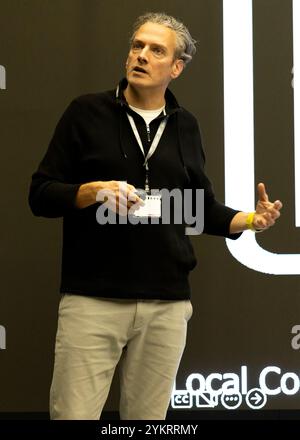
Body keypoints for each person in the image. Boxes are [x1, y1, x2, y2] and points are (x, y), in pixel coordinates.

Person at [28, 12, 282, 420]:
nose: (141, 55)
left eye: (156, 50)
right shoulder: (86, 113)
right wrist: (93, 191)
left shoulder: (186, 127)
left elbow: (197, 210)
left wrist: (253, 221)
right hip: (93, 299)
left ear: (176, 68)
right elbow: (40, 195)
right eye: (137, 46)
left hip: (166, 303)